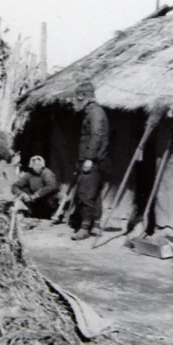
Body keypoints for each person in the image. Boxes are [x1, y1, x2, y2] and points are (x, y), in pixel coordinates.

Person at [71, 80, 109, 240]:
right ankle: (96, 225)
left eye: (76, 98)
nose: (74, 101)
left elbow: (96, 136)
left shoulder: (95, 113)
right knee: (94, 193)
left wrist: (89, 159)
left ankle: (85, 228)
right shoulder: (92, 112)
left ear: (83, 97)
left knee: (85, 194)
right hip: (95, 160)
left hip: (92, 161)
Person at [11, 155, 60, 219]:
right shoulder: (29, 175)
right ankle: (30, 214)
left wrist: (35, 195)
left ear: (42, 165)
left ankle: (48, 215)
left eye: (38, 165)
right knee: (25, 190)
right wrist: (22, 194)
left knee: (50, 197)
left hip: (48, 202)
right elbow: (15, 186)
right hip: (36, 202)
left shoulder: (47, 173)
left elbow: (52, 186)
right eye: (35, 165)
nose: (37, 167)